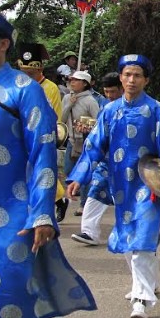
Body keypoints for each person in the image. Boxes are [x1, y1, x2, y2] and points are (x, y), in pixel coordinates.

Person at [0, 11, 95, 318]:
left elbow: (43, 155)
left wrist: (41, 214)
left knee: (6, 297)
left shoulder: (24, 90)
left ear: (3, 44)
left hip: (14, 212)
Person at [66, 54, 160, 318]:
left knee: (142, 235)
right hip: (121, 185)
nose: (132, 80)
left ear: (146, 80)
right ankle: (148, 282)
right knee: (129, 238)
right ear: (121, 78)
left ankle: (141, 298)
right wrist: (78, 177)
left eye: (137, 75)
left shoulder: (155, 110)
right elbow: (94, 146)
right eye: (127, 75)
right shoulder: (110, 111)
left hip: (148, 183)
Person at [16, 42, 70, 222]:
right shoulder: (14, 86)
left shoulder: (50, 88)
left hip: (40, 137)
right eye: (24, 72)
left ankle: (50, 207)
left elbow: (54, 116)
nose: (27, 76)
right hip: (18, 138)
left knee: (41, 174)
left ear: (40, 70)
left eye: (31, 73)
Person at [71, 72, 124, 246]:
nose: (110, 95)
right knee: (95, 192)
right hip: (106, 160)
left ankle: (129, 232)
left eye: (113, 91)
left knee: (126, 198)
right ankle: (89, 232)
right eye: (107, 91)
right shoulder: (106, 107)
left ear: (122, 88)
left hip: (127, 163)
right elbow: (98, 134)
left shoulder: (138, 108)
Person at [61, 70, 100, 216]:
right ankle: (74, 193)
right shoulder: (67, 98)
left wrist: (86, 126)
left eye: (76, 80)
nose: (72, 82)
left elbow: (98, 121)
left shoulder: (90, 100)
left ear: (84, 83)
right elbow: (62, 119)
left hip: (86, 141)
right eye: (71, 79)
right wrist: (69, 105)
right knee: (68, 170)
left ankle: (84, 204)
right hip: (71, 140)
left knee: (85, 173)